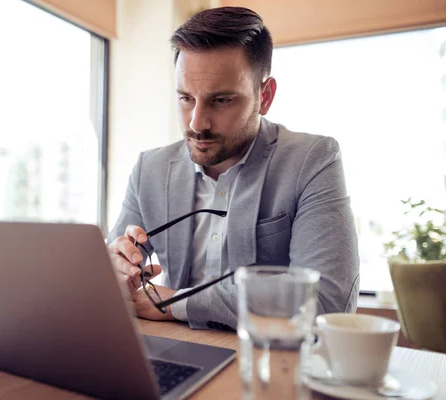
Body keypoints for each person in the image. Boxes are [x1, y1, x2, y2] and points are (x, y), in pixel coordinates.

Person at [106, 6, 359, 331]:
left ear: (264, 97)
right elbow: (109, 278)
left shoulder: (313, 160)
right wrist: (117, 269)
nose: (197, 123)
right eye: (185, 98)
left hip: (271, 363)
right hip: (176, 352)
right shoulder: (150, 170)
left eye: (221, 100)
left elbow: (327, 303)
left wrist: (176, 303)